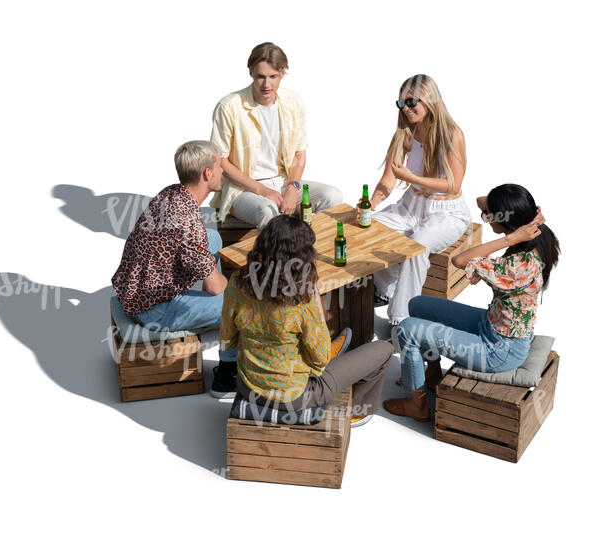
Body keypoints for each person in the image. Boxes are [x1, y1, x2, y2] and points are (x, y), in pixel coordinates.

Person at [383, 183, 560, 421]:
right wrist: (525, 220)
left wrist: (509, 238)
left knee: (406, 330)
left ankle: (417, 405)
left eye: (489, 217)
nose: (485, 217)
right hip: (491, 327)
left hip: (499, 351)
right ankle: (432, 374)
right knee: (417, 305)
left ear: (507, 222)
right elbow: (481, 199)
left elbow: (460, 260)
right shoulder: (536, 235)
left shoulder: (517, 267)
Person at [220, 214, 393, 427]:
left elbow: (227, 339)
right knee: (384, 349)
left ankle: (334, 349)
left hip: (248, 386)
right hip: (295, 397)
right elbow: (320, 359)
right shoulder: (301, 298)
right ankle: (358, 410)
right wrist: (315, 299)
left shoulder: (237, 282)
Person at [111, 140, 238, 399]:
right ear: (207, 174)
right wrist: (234, 285)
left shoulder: (171, 193)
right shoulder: (187, 223)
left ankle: (204, 310)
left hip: (135, 289)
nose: (223, 171)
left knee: (212, 238)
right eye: (219, 166)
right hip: (153, 309)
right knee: (238, 303)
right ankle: (226, 377)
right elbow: (217, 285)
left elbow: (190, 244)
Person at [366, 74, 471, 325]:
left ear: (430, 99)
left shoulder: (452, 134)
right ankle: (384, 290)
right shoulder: (404, 133)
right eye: (401, 103)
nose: (406, 108)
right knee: (369, 230)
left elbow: (453, 184)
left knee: (417, 247)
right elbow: (388, 181)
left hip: (446, 211)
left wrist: (412, 177)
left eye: (411, 101)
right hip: (411, 204)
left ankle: (402, 318)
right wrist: (370, 204)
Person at [210, 42, 342, 230]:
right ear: (251, 73)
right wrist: (262, 190)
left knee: (333, 196)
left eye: (273, 76)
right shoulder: (229, 106)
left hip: (283, 181)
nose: (266, 84)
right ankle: (275, 259)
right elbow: (220, 160)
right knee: (268, 211)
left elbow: (299, 154)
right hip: (243, 189)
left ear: (282, 73)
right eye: (261, 77)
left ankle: (315, 252)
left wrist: (292, 188)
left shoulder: (293, 101)